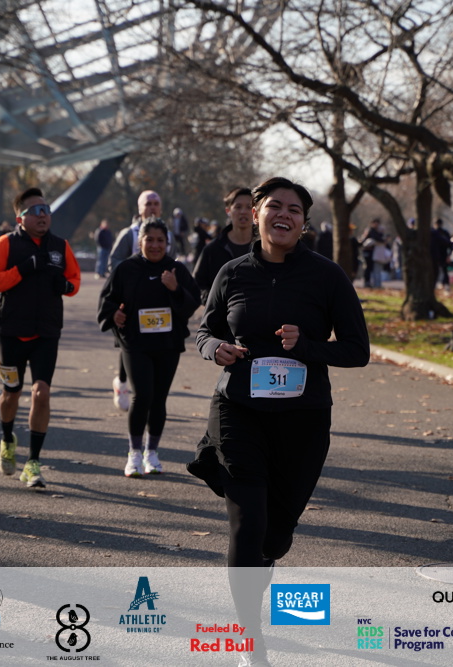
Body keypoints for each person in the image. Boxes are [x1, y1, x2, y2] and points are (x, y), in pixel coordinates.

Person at [193, 177, 369, 666]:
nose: (283, 214)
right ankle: (250, 641)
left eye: (294, 209)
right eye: (274, 206)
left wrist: (307, 346)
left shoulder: (327, 276)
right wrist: (215, 348)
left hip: (302, 419)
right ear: (255, 214)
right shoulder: (232, 272)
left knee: (275, 535)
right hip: (238, 410)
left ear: (304, 223)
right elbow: (205, 330)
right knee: (247, 525)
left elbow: (357, 350)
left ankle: (264, 561)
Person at [0, 187, 81, 489]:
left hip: (46, 332)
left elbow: (74, 280)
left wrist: (66, 287)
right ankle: (7, 439)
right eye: (35, 211)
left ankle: (33, 462)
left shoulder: (60, 246)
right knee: (11, 393)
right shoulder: (6, 244)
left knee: (41, 393)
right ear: (20, 218)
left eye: (46, 210)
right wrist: (22, 270)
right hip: (12, 332)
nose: (43, 215)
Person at [97, 219, 199, 476]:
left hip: (167, 344)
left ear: (167, 243)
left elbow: (192, 304)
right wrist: (114, 314)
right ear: (140, 242)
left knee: (159, 399)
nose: (155, 245)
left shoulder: (176, 270)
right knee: (142, 396)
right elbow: (107, 300)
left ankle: (151, 453)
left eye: (160, 240)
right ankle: (133, 453)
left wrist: (175, 289)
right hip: (135, 342)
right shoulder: (126, 269)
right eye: (149, 240)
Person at [107, 190, 174, 411]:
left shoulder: (168, 234)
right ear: (140, 208)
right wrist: (131, 277)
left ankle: (148, 389)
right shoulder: (129, 233)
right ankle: (122, 382)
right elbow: (114, 260)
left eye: (156, 203)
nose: (152, 207)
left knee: (154, 343)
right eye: (148, 204)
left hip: (159, 299)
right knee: (129, 343)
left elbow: (173, 262)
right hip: (132, 300)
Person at [192, 187, 254, 304]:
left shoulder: (265, 248)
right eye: (238, 207)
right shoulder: (212, 249)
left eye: (249, 207)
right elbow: (198, 284)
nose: (243, 211)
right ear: (228, 211)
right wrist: (214, 302)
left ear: (255, 211)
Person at [358, 218, 385, 287]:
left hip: (370, 251)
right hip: (367, 251)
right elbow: (378, 239)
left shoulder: (374, 231)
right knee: (368, 267)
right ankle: (367, 282)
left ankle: (368, 282)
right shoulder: (371, 230)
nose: (377, 225)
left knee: (369, 267)